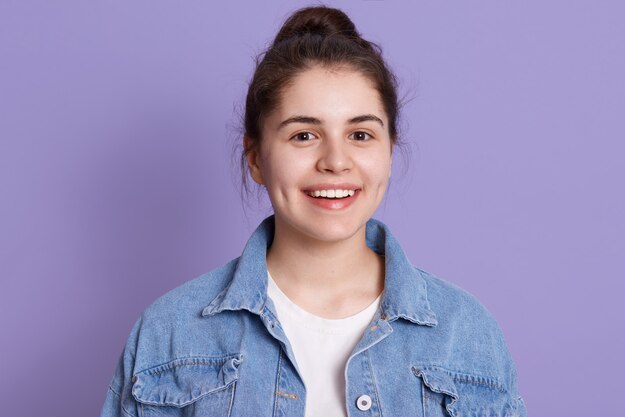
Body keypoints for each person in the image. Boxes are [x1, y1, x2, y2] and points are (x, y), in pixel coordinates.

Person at [100, 6, 527, 417]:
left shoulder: (467, 335)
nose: (336, 161)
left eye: (360, 134)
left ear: (390, 153)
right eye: (304, 135)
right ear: (254, 159)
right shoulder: (169, 334)